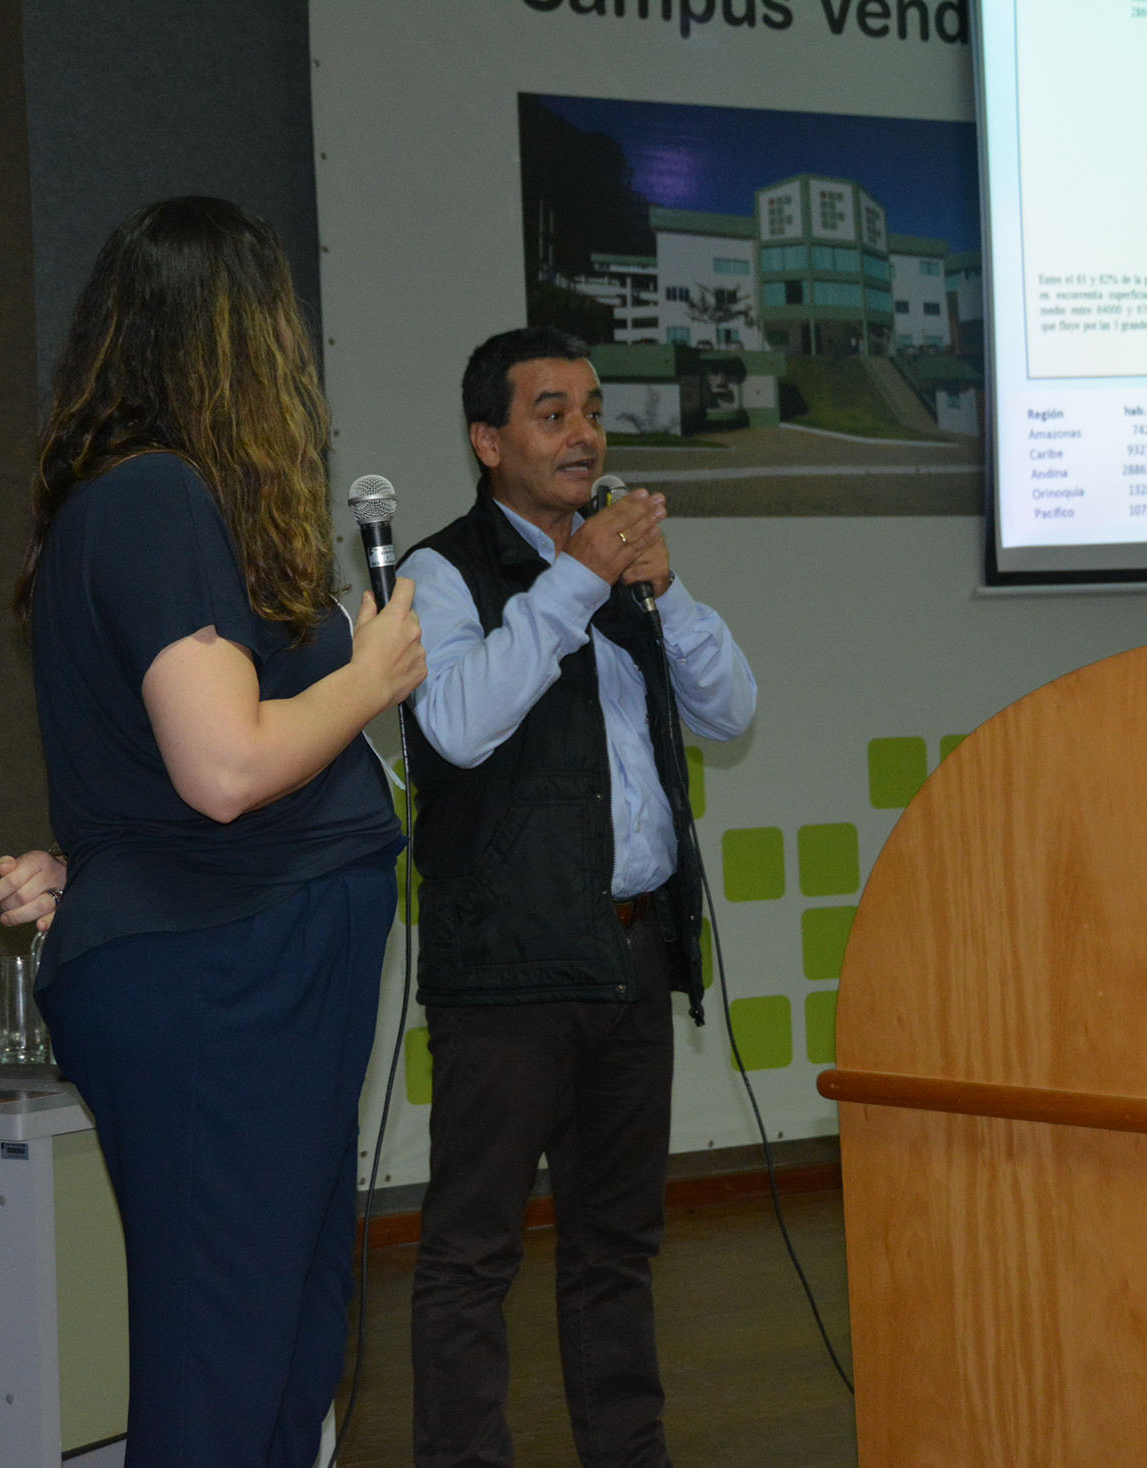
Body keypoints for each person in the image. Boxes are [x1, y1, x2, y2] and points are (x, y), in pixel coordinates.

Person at [0, 195, 423, 1468]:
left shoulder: (155, 508)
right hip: (223, 977)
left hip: (245, 964)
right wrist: (370, 672)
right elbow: (225, 767)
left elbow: (158, 764)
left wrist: (86, 861)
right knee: (222, 1368)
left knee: (282, 1355)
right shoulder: (154, 497)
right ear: (234, 338)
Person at [395, 325, 756, 1468]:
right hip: (505, 969)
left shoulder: (622, 569)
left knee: (616, 1250)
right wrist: (578, 579)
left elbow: (731, 711)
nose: (583, 433)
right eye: (550, 413)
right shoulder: (439, 572)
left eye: (592, 410)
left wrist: (665, 589)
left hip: (629, 956)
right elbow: (457, 724)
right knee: (472, 1254)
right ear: (486, 439)